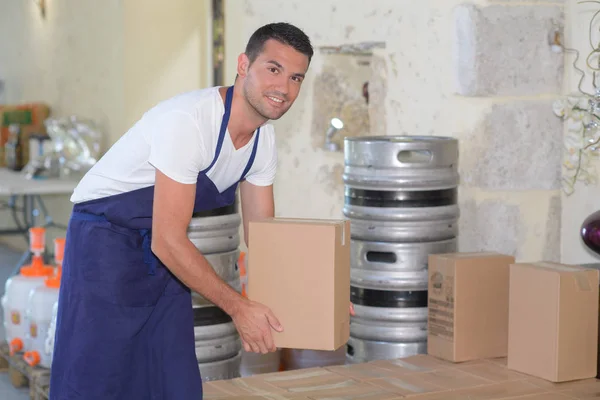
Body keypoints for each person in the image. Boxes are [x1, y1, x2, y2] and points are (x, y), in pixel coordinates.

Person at [49, 22, 351, 400]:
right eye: (273, 69)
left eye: (296, 78)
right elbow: (168, 239)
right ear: (243, 65)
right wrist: (239, 308)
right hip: (105, 245)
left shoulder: (263, 142)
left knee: (171, 378)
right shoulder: (190, 121)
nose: (284, 89)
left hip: (163, 256)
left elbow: (264, 239)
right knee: (98, 375)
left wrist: (319, 292)